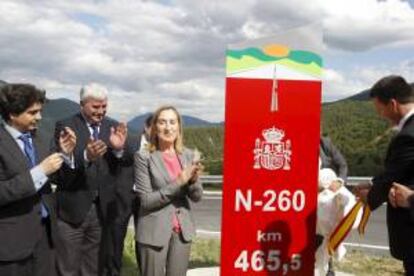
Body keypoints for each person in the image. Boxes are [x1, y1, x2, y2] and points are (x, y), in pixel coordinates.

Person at [54, 83, 133, 276]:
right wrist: (85, 156)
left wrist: (118, 149)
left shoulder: (112, 126)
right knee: (68, 267)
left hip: (102, 211)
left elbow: (126, 162)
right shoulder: (66, 126)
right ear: (82, 104)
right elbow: (57, 168)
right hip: (72, 210)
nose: (101, 111)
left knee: (93, 267)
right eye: (95, 107)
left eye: (104, 106)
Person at [0, 83, 76, 276]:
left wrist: (65, 155)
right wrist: (40, 171)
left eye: (40, 111)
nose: (39, 117)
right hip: (12, 243)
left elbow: (57, 177)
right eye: (32, 113)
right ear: (12, 114)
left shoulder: (40, 139)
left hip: (45, 238)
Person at [354, 75, 414, 275]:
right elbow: (400, 168)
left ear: (393, 104)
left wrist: (370, 197)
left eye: (379, 108)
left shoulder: (408, 135)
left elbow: (394, 175)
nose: (380, 115)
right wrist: (372, 182)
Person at [134, 106, 203, 276]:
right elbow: (146, 201)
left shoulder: (188, 155)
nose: (168, 127)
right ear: (154, 127)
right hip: (153, 233)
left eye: (172, 122)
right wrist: (179, 182)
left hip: (182, 233)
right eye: (162, 122)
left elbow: (197, 196)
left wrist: (193, 181)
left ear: (179, 126)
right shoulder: (144, 157)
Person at [112, 114, 152, 275]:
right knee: (117, 236)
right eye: (154, 128)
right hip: (124, 196)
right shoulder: (129, 141)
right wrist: (119, 149)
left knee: (143, 238)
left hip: (145, 199)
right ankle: (113, 270)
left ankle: (145, 270)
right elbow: (117, 158)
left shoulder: (160, 147)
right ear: (146, 128)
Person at [315, 168, 360, 276]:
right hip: (320, 233)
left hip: (325, 234)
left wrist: (339, 181)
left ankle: (328, 271)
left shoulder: (336, 196)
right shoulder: (324, 198)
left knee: (323, 251)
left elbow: (341, 164)